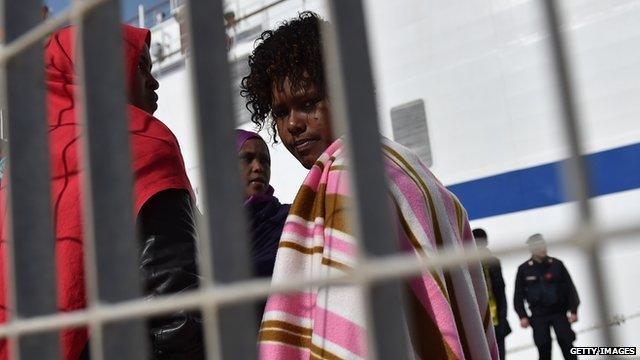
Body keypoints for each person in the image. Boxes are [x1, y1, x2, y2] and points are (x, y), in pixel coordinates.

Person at [241, 12, 498, 359]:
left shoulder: (345, 178)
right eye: (281, 112)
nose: (293, 125)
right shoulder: (406, 166)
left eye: (307, 104)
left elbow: (349, 332)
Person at [0, 25, 204, 360]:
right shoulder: (144, 143)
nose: (153, 82)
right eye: (140, 65)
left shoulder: (18, 171)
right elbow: (175, 310)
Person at [514, 234, 580, 360]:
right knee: (543, 347)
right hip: (539, 315)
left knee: (567, 345)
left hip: (559, 313)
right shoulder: (524, 269)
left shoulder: (557, 264)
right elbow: (518, 296)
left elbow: (570, 288)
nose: (543, 249)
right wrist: (522, 316)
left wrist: (574, 310)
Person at [237, 129, 290, 279]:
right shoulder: (208, 232)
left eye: (265, 161)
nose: (258, 167)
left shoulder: (289, 218)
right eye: (247, 158)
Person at [473, 228, 511, 360]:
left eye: (481, 242)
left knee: (500, 354)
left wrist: (503, 316)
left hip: (496, 318)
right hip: (478, 319)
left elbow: (501, 291)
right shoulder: (467, 264)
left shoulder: (494, 262)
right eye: (476, 243)